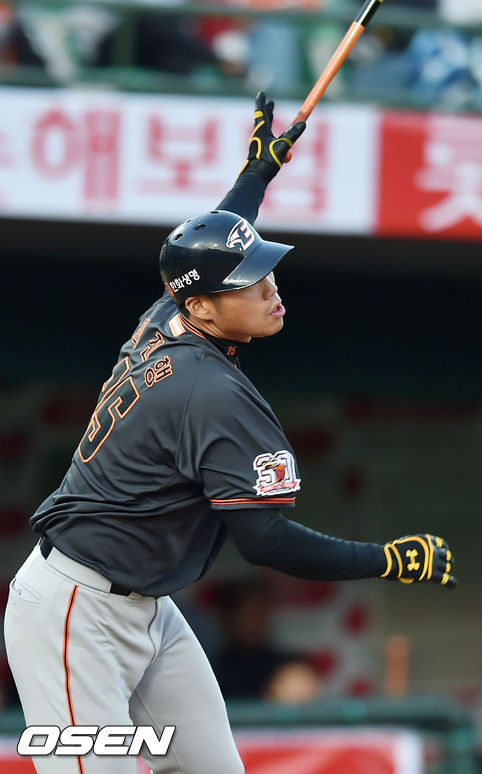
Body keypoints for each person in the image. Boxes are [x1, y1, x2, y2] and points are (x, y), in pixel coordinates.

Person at [3, 92, 456, 774]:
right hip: (74, 612)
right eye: (250, 282)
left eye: (266, 270)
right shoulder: (211, 393)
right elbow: (264, 539)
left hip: (147, 607)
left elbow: (211, 247)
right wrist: (386, 559)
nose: (270, 287)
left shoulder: (168, 315)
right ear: (205, 307)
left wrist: (256, 175)